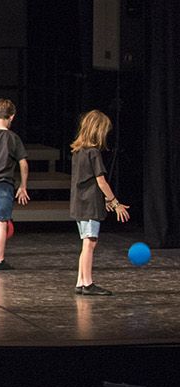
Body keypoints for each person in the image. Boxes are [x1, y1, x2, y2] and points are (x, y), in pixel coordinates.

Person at [68, 109, 130, 296]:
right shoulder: (93, 153)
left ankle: (81, 281)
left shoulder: (78, 151)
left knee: (86, 243)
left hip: (80, 203)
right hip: (89, 206)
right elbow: (101, 181)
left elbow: (86, 181)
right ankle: (87, 283)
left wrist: (105, 199)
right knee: (90, 244)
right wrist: (115, 201)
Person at [0, 99, 30, 270]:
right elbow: (23, 163)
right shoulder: (13, 138)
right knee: (2, 223)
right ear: (12, 117)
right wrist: (23, 186)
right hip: (4, 184)